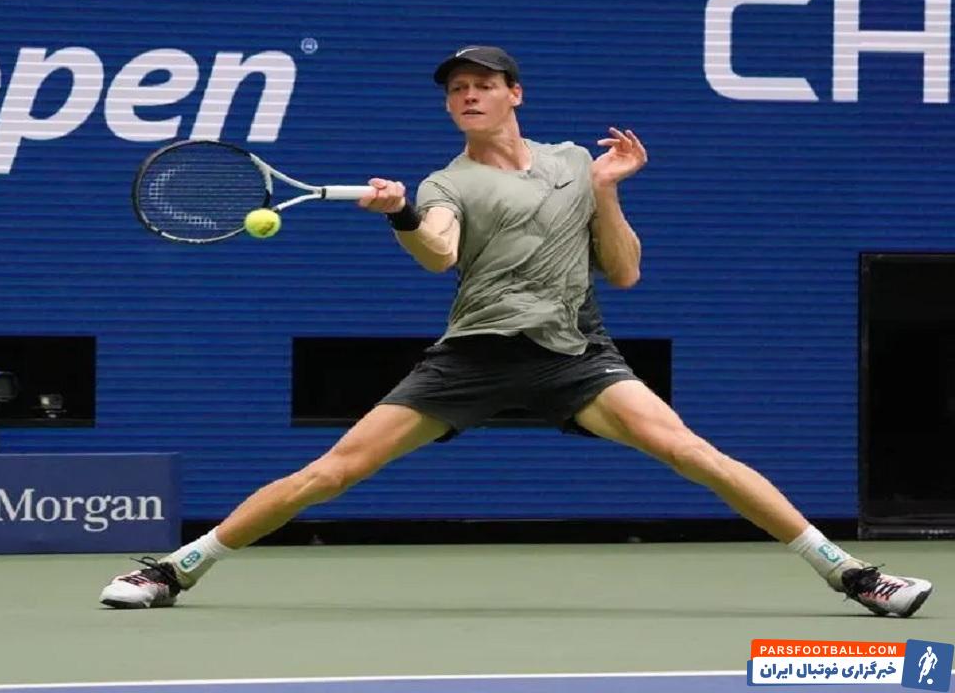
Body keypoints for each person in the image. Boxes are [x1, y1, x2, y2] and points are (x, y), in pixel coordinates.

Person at [100, 45, 934, 617]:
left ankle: (852, 574)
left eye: (482, 84)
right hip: (474, 355)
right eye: (455, 89)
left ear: (514, 94)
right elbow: (439, 253)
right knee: (333, 472)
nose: (467, 95)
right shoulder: (446, 182)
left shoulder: (573, 162)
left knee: (694, 453)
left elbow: (625, 272)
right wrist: (400, 216)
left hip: (576, 353)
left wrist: (607, 188)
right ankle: (175, 568)